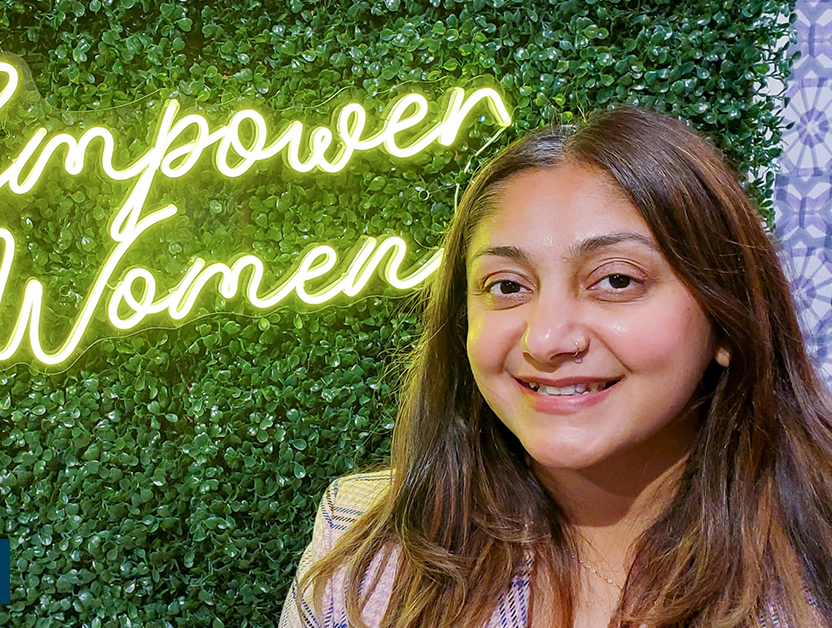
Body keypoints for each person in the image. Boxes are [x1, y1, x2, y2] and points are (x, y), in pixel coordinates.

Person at [276, 106, 832, 628]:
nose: (546, 339)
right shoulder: (366, 547)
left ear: (726, 319)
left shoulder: (813, 559)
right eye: (508, 287)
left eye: (616, 280)